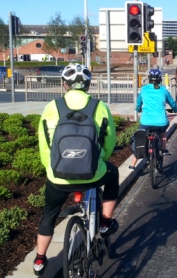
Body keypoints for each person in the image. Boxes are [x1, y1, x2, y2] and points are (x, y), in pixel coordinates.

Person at [34, 63, 119, 276]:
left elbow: (44, 145)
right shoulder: (100, 107)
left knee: (49, 215)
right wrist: (99, 161)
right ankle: (106, 222)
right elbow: (109, 142)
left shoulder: (52, 108)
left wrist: (51, 170)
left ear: (65, 84)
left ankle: (39, 259)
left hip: (58, 176)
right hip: (93, 174)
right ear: (88, 85)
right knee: (113, 173)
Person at [128, 68, 177, 170]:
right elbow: (172, 102)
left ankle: (133, 164)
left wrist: (138, 109)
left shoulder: (144, 89)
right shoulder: (163, 90)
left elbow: (138, 103)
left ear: (149, 79)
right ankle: (163, 149)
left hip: (146, 122)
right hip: (161, 122)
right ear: (160, 79)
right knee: (163, 129)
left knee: (141, 138)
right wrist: (175, 109)